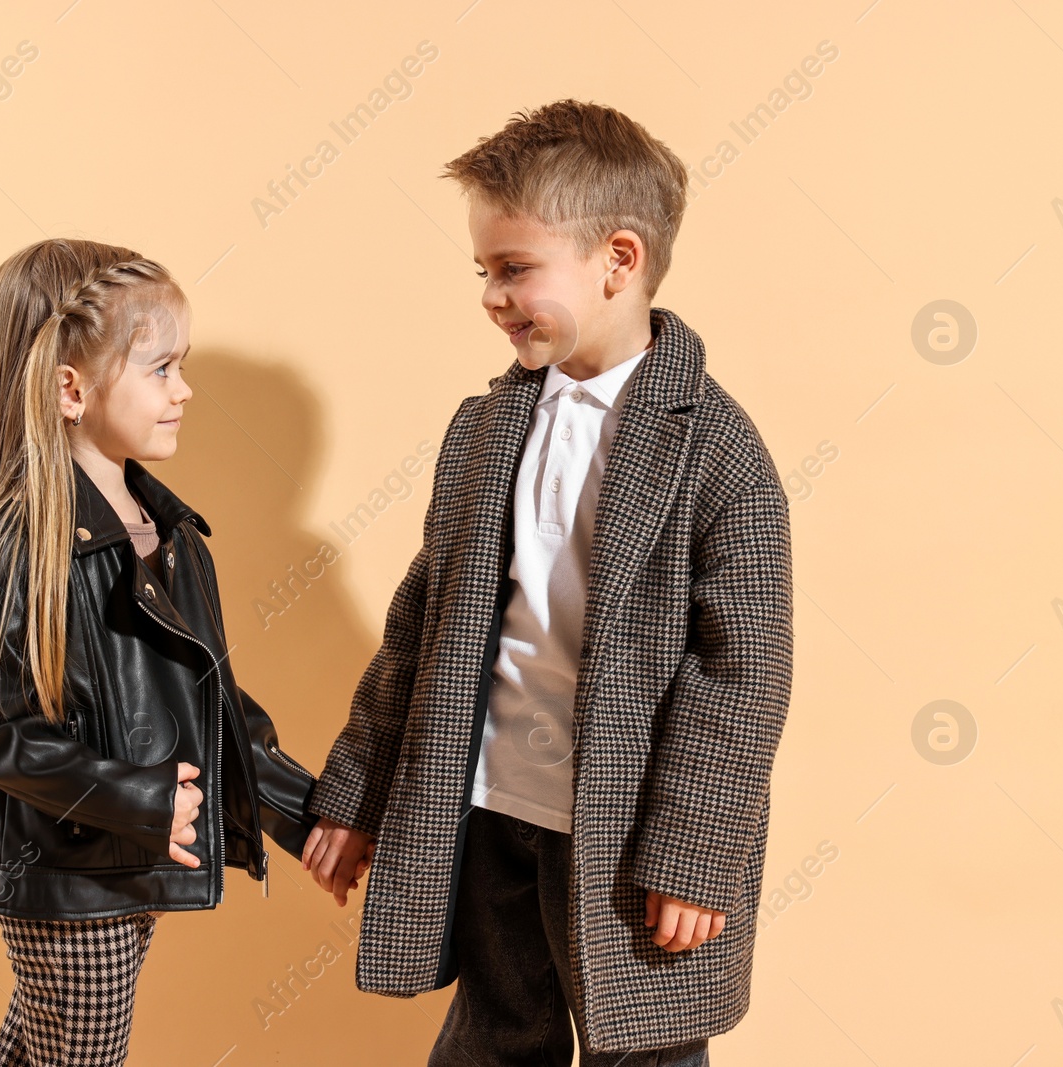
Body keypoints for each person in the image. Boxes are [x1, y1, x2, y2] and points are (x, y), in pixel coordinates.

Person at [300, 99, 795, 1065]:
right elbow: (421, 623)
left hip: (624, 834)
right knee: (491, 1039)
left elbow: (744, 671)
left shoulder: (718, 448)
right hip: (488, 805)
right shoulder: (488, 426)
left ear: (619, 260)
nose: (492, 294)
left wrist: (694, 854)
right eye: (484, 270)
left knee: (643, 1050)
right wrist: (357, 790)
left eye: (516, 268)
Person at [0, 238, 332, 1066]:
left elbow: (213, 710)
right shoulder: (22, 546)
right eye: (160, 368)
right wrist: (137, 797)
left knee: (40, 1053)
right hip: (70, 881)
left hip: (125, 869)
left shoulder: (171, 532)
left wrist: (313, 819)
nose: (185, 389)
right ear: (70, 389)